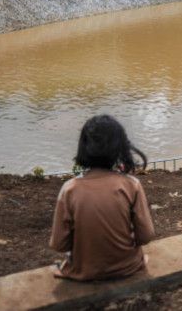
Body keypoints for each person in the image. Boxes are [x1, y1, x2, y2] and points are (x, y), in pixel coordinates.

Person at [50, 115, 154, 281]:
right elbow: (146, 235)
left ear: (83, 148)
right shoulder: (131, 185)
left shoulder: (69, 189)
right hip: (128, 267)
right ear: (121, 148)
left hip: (84, 271)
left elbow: (59, 244)